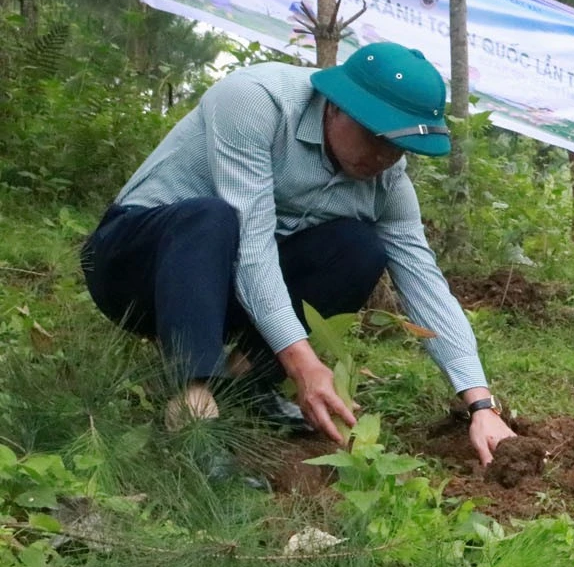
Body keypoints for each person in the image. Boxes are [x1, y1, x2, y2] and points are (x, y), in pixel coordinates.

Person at [81, 44, 515, 465]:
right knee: (213, 218)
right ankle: (193, 409)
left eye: (398, 146)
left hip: (224, 288)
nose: (384, 157)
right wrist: (303, 362)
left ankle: (240, 388)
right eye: (375, 136)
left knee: (359, 250)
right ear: (336, 105)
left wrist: (481, 405)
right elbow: (251, 244)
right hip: (134, 267)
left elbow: (423, 281)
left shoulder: (387, 182)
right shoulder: (256, 103)